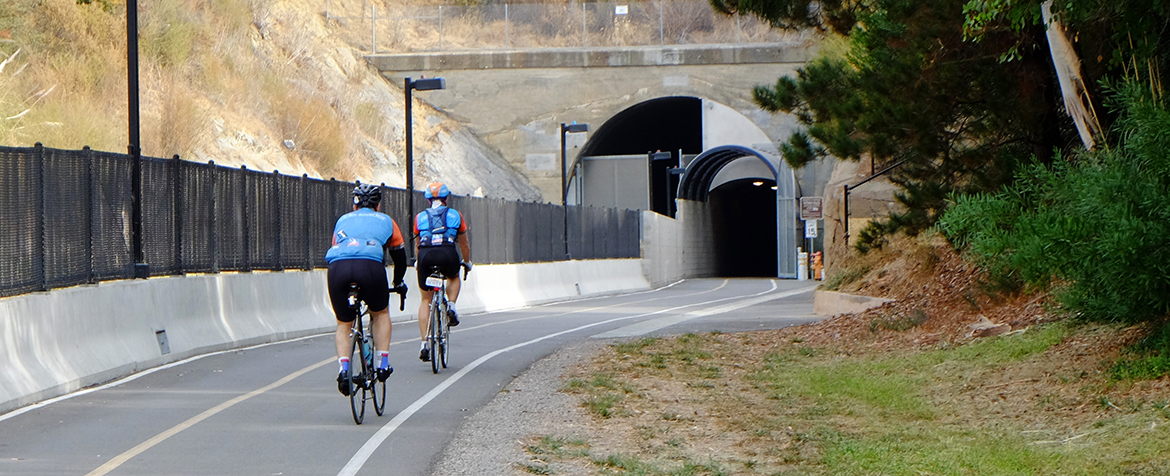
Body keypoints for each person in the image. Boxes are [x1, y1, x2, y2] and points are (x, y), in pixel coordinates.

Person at [325, 183, 408, 396]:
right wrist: (398, 282)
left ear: (354, 205)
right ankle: (382, 364)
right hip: (370, 266)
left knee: (344, 324)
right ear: (378, 205)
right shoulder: (387, 221)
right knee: (380, 314)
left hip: (338, 268)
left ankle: (344, 370)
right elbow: (399, 258)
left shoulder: (342, 220)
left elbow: (337, 244)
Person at [413, 182, 471, 362]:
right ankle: (451, 305)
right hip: (447, 252)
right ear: (446, 198)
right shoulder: (455, 215)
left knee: (425, 300)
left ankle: (424, 343)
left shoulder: (420, 217)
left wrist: (418, 261)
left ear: (428, 199)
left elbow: (417, 244)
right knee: (453, 276)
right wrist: (467, 262)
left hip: (426, 255)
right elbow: (464, 244)